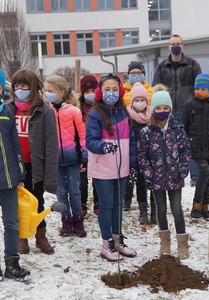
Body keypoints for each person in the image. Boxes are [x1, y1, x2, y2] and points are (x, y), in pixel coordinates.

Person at [86, 74, 137, 262]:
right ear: (100, 92)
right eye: (107, 89)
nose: (111, 93)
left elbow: (130, 141)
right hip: (103, 169)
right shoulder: (95, 115)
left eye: (115, 89)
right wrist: (104, 146)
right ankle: (106, 242)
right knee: (106, 205)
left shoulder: (124, 113)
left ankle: (117, 239)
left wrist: (132, 165)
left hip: (121, 168)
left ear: (120, 91)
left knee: (118, 206)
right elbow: (90, 142)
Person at [7, 70, 58, 255]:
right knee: (17, 204)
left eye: (24, 86)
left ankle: (40, 235)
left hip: (35, 166)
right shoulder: (8, 109)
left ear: (33, 87)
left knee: (37, 202)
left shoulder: (44, 110)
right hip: (15, 166)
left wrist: (50, 176)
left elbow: (52, 144)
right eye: (17, 86)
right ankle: (22, 237)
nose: (20, 89)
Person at [137, 84, 191, 259]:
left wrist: (183, 169)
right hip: (156, 178)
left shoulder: (178, 128)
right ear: (153, 110)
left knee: (177, 209)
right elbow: (142, 155)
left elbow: (185, 151)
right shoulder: (146, 132)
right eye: (158, 108)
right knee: (160, 210)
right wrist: (148, 173)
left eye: (165, 108)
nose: (162, 111)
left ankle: (182, 243)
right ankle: (165, 242)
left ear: (170, 109)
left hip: (175, 176)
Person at [152, 34, 201, 185]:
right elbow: (156, 88)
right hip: (168, 111)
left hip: (188, 109)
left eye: (178, 43)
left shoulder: (192, 64)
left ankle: (194, 176)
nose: (176, 46)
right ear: (168, 46)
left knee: (189, 142)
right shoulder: (161, 66)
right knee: (168, 143)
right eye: (173, 43)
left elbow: (198, 87)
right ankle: (171, 173)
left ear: (183, 46)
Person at [44, 75, 87, 237]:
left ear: (61, 92)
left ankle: (78, 221)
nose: (47, 94)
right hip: (55, 160)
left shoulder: (73, 111)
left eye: (51, 91)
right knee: (61, 193)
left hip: (73, 159)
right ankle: (66, 221)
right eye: (45, 91)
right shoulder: (45, 111)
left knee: (75, 191)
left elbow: (82, 135)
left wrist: (84, 156)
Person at [0, 69, 30, 282]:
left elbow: (16, 146)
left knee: (12, 223)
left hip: (8, 179)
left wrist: (20, 172)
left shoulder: (7, 112)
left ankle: (12, 264)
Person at [182, 73, 209, 221]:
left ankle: (205, 206)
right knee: (204, 173)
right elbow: (184, 125)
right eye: (197, 88)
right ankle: (196, 205)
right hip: (195, 147)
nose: (199, 92)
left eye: (203, 89)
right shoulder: (190, 104)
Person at [125, 82, 157, 225]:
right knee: (141, 184)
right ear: (132, 102)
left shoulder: (153, 116)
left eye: (142, 100)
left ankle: (155, 210)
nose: (139, 103)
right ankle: (143, 211)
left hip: (153, 156)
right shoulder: (128, 118)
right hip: (136, 156)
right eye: (136, 100)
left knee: (154, 183)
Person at [123, 61, 153, 210]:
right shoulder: (123, 92)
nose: (136, 75)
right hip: (130, 148)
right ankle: (126, 199)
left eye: (139, 73)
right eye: (132, 73)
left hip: (146, 148)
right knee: (129, 175)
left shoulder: (150, 91)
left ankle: (143, 205)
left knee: (142, 179)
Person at [78, 74, 99, 216]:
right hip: (82, 148)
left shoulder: (101, 107)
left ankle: (98, 202)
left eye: (93, 90)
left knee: (98, 177)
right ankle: (82, 202)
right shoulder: (78, 109)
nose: (90, 94)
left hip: (97, 147)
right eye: (87, 92)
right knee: (82, 180)